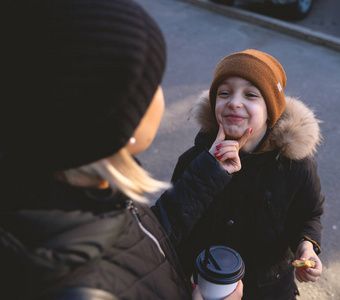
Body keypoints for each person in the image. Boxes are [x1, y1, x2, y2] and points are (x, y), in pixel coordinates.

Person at [0, 0, 243, 299]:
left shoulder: (83, 187)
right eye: (151, 84)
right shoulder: (81, 290)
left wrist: (211, 168)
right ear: (115, 120)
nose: (159, 93)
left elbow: (144, 241)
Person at [172, 49, 325, 299]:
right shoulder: (193, 163)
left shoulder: (295, 167)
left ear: (271, 111)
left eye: (251, 94)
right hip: (208, 287)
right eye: (224, 93)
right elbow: (175, 225)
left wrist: (306, 246)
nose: (234, 102)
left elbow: (309, 214)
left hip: (271, 288)